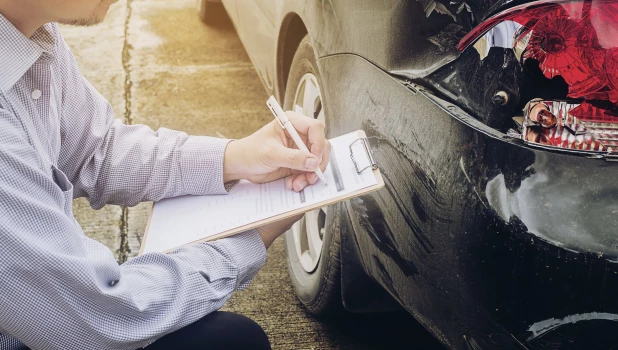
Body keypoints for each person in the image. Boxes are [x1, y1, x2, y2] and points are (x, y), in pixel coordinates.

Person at [0, 0, 331, 349]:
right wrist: (245, 240)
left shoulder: (31, 33)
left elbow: (96, 150)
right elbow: (99, 318)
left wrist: (235, 157)